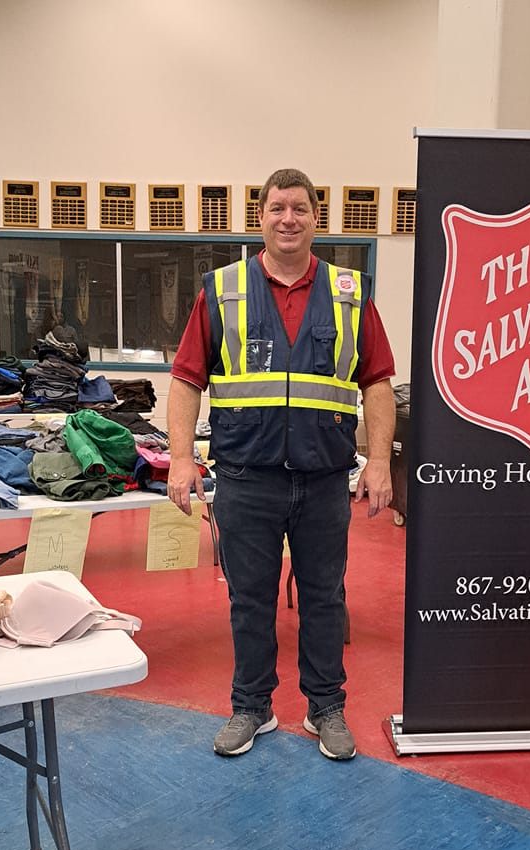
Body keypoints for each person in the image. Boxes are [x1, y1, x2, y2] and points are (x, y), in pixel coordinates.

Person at [167, 168, 396, 761]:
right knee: (251, 598)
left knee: (325, 597)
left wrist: (378, 462)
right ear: (260, 217)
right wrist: (181, 460)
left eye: (299, 208)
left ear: (316, 218)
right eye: (277, 208)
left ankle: (326, 708)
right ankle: (251, 707)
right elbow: (187, 379)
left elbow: (376, 383)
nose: (288, 218)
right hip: (247, 476)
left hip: (323, 479)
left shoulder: (350, 293)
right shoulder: (221, 289)